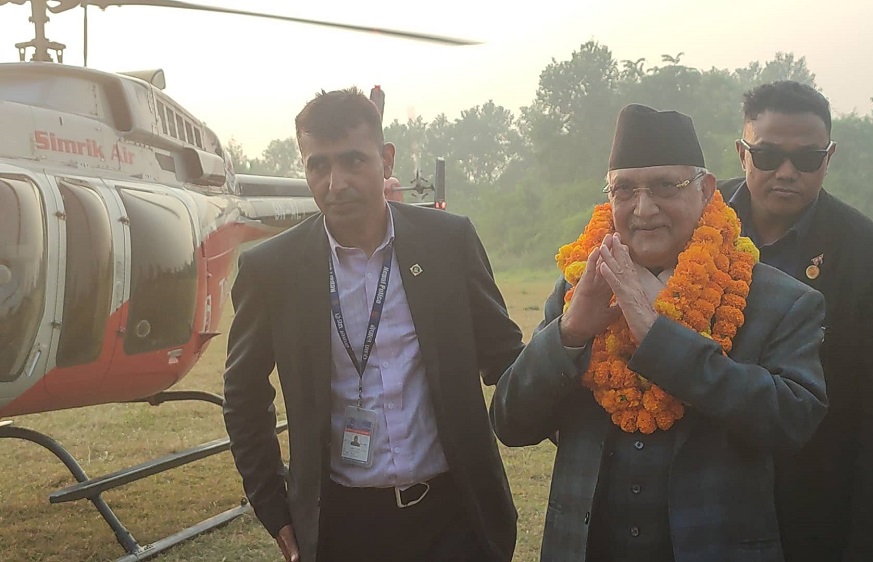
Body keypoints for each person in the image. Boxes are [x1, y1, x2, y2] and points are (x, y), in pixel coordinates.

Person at [491, 103, 827, 562]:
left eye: (666, 186)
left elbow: (791, 423)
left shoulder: (778, 300)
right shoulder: (580, 289)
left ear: (707, 190)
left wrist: (656, 335)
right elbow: (511, 424)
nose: (644, 209)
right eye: (624, 190)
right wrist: (570, 332)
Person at [222, 87, 524, 562]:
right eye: (317, 165)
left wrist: (565, 388)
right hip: (343, 525)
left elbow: (504, 356)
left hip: (455, 515)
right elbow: (242, 392)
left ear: (385, 160)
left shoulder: (448, 243)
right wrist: (274, 506)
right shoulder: (273, 269)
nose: (334, 181)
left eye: (352, 161)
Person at [717, 81, 873, 562]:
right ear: (741, 153)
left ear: (829, 157)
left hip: (807, 511)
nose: (787, 173)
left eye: (806, 159)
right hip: (696, 504)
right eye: (768, 156)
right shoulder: (694, 222)